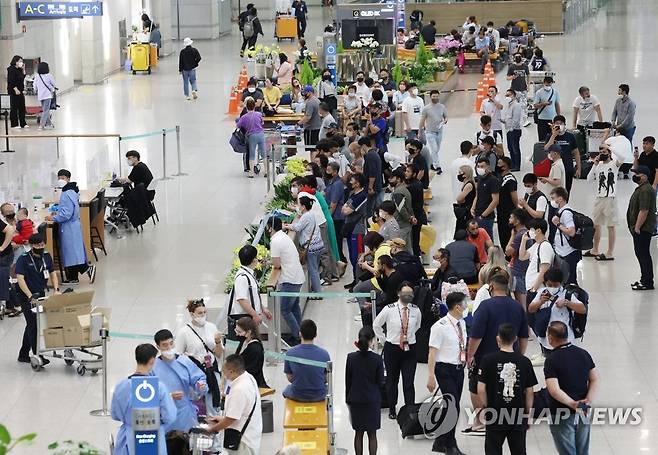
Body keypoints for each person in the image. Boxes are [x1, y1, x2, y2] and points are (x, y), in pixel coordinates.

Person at [465, 274, 529, 434]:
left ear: (491, 287)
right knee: (506, 388)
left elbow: (476, 336)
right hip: (510, 356)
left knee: (476, 387)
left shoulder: (485, 307)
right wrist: (518, 355)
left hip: (485, 358)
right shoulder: (517, 307)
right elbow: (524, 336)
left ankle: (481, 422)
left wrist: (470, 356)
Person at [477, 323, 537, 455]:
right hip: (517, 414)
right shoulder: (524, 362)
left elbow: (480, 389)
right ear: (515, 338)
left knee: (493, 449)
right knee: (519, 450)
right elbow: (529, 392)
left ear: (498, 338)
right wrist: (528, 413)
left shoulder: (488, 360)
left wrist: (487, 406)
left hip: (495, 413)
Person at [544, 321, 599, 455]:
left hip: (561, 412)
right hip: (583, 409)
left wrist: (572, 404)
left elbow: (554, 390)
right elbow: (595, 378)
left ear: (550, 338)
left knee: (567, 451)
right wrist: (587, 400)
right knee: (582, 451)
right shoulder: (583, 353)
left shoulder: (552, 360)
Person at [111, 344, 177, 455]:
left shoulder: (121, 386)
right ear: (152, 360)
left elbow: (115, 414)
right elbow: (170, 416)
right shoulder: (158, 387)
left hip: (128, 440)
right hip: (154, 440)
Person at [373, 282, 422, 419]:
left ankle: (410, 409)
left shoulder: (416, 310)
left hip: (410, 349)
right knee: (392, 381)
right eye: (405, 293)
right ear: (399, 294)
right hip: (392, 349)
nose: (408, 296)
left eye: (410, 294)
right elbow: (377, 325)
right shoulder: (389, 309)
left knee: (409, 381)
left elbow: (417, 325)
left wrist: (407, 336)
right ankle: (392, 407)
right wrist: (384, 340)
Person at [427, 292, 468, 455]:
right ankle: (450, 444)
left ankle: (440, 441)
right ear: (457, 307)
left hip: (459, 368)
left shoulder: (462, 323)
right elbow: (432, 352)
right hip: (444, 369)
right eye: (465, 303)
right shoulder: (440, 326)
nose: (467, 306)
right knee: (453, 406)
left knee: (451, 404)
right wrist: (430, 375)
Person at [44, 169, 95, 284]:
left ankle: (83, 271)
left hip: (69, 227)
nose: (60, 180)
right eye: (59, 177)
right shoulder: (72, 190)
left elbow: (66, 214)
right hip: (73, 225)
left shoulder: (66, 193)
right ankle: (73, 277)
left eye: (63, 177)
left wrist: (53, 218)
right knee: (73, 253)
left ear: (68, 178)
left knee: (71, 253)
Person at [152, 329, 207, 432]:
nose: (169, 347)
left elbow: (199, 378)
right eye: (165, 345)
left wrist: (200, 385)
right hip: (163, 415)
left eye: (171, 343)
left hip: (184, 415)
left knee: (184, 445)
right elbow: (149, 394)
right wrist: (168, 397)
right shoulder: (154, 367)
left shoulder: (184, 361)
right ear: (158, 347)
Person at [15, 234, 59, 364]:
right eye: (37, 245)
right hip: (25, 296)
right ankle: (37, 355)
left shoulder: (46, 256)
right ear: (31, 245)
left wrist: (56, 289)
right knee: (34, 324)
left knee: (31, 324)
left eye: (42, 244)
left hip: (40, 294)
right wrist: (29, 296)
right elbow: (20, 279)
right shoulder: (23, 259)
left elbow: (52, 273)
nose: (40, 247)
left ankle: (23, 354)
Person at [207, 354, 263, 455]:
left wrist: (213, 429)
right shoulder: (248, 377)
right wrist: (221, 419)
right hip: (251, 433)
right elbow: (242, 411)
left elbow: (231, 418)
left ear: (231, 372)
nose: (223, 374)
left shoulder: (239, 389)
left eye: (224, 371)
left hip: (242, 441)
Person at [176, 298, 224, 415]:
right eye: (200, 313)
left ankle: (214, 427)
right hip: (194, 371)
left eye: (204, 312)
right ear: (192, 314)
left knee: (213, 399)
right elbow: (178, 355)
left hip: (212, 369)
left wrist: (218, 342)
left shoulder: (211, 327)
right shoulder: (184, 332)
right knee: (195, 400)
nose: (203, 315)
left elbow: (218, 353)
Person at [527, 268, 587, 354]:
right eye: (549, 285)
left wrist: (567, 303)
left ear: (560, 283)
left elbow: (582, 309)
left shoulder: (566, 294)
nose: (552, 287)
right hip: (547, 339)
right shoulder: (541, 293)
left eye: (555, 285)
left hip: (565, 339)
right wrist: (540, 302)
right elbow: (531, 309)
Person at [345, 326, 385, 455]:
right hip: (372, 400)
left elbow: (348, 381)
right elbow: (380, 382)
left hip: (355, 399)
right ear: (371, 340)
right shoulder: (377, 359)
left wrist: (348, 399)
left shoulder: (351, 358)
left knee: (358, 433)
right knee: (372, 434)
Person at [268, 217, 306, 345]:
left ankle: (297, 335)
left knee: (285, 309)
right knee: (294, 307)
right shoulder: (283, 237)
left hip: (290, 279)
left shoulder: (275, 241)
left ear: (270, 228)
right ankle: (301, 333)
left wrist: (270, 263)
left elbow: (277, 264)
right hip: (297, 276)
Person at [225, 244, 272, 340]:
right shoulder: (242, 277)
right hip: (246, 320)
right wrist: (255, 315)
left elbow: (253, 296)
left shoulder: (248, 274)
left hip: (251, 318)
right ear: (253, 260)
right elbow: (242, 300)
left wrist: (262, 309)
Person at [584, 142, 621, 260]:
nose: (602, 153)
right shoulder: (598, 165)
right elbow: (589, 179)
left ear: (609, 153)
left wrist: (611, 147)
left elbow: (622, 157)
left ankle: (610, 252)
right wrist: (594, 165)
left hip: (610, 198)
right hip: (599, 198)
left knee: (611, 225)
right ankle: (595, 249)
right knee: (595, 224)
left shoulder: (614, 164)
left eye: (604, 151)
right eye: (600, 152)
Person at [283, 319, 331, 402]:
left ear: (300, 334)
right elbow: (326, 378)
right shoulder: (324, 354)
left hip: (297, 394)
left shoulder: (290, 353)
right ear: (315, 334)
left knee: (286, 390)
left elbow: (290, 378)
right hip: (319, 395)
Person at [627, 165, 657, 290]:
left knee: (643, 254)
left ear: (644, 176)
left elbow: (644, 211)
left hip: (643, 229)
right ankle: (644, 279)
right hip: (640, 229)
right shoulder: (642, 188)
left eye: (637, 174)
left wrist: (637, 227)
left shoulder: (645, 190)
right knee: (641, 254)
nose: (635, 176)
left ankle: (647, 282)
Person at [286, 196, 324, 293]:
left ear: (303, 206)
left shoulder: (306, 216)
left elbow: (298, 227)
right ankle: (316, 288)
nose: (298, 206)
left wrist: (287, 226)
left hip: (311, 247)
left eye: (299, 205)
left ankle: (318, 293)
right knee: (315, 268)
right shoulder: (311, 214)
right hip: (318, 245)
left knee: (313, 270)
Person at [549, 186, 581, 285]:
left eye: (553, 198)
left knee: (570, 281)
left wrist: (558, 224)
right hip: (562, 252)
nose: (552, 201)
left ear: (561, 198)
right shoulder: (561, 211)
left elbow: (571, 232)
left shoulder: (566, 213)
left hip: (568, 253)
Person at [518, 218, 554, 304]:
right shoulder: (537, 244)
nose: (529, 232)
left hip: (538, 290)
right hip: (533, 289)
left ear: (538, 231)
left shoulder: (545, 246)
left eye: (531, 229)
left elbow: (544, 270)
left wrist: (534, 289)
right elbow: (522, 257)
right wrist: (523, 241)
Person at [342, 173, 369, 284]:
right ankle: (355, 279)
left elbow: (347, 210)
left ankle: (359, 281)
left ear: (357, 183)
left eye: (352, 180)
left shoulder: (361, 196)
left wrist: (346, 208)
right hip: (350, 229)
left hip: (357, 231)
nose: (350, 182)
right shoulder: (352, 194)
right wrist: (346, 208)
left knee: (357, 257)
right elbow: (343, 210)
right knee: (352, 257)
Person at [544, 115, 581, 193]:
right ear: (553, 124)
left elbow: (576, 152)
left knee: (566, 191)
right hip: (555, 169)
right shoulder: (550, 136)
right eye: (557, 123)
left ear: (564, 125)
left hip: (568, 168)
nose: (559, 125)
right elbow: (546, 148)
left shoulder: (570, 136)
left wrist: (578, 168)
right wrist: (553, 135)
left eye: (561, 123)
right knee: (555, 191)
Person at [235, 317, 269, 388]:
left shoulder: (255, 349)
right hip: (242, 379)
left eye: (239, 332)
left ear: (248, 332)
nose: (237, 334)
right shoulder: (243, 341)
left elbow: (253, 369)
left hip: (253, 383)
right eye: (236, 331)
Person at [420, 90, 448, 172]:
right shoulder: (426, 108)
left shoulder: (442, 107)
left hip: (439, 131)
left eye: (436, 96)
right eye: (433, 96)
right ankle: (437, 166)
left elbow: (446, 116)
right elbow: (422, 120)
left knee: (436, 149)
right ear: (430, 97)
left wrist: (445, 120)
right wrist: (420, 131)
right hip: (430, 132)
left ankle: (431, 163)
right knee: (434, 148)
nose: (435, 98)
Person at [236, 98, 266, 178]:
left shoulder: (244, 117)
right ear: (254, 106)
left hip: (252, 136)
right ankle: (266, 171)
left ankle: (251, 173)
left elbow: (238, 126)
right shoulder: (259, 114)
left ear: (246, 107)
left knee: (252, 154)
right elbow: (262, 123)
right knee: (263, 153)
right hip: (261, 134)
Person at [471, 157, 500, 239]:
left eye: (482, 166)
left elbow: (495, 201)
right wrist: (473, 208)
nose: (480, 168)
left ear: (488, 167)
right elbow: (477, 195)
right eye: (478, 166)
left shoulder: (493, 180)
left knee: (487, 240)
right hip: (477, 214)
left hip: (486, 217)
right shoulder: (480, 178)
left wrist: (483, 215)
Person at [506, 208, 529, 306]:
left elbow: (507, 251)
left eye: (511, 218)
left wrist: (512, 236)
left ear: (517, 221)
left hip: (518, 271)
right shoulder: (525, 232)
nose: (509, 220)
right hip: (522, 270)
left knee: (521, 303)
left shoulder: (519, 235)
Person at [388, 168, 414, 250]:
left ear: (398, 179)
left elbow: (401, 209)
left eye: (392, 178)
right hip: (406, 224)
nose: (390, 180)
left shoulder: (398, 192)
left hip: (401, 225)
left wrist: (409, 218)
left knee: (401, 249)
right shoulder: (403, 189)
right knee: (408, 249)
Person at [405, 164, 428, 255]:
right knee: (415, 237)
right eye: (405, 171)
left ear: (414, 174)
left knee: (414, 237)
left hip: (415, 215)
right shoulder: (417, 183)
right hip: (418, 214)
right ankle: (417, 251)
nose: (405, 173)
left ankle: (416, 255)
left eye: (408, 171)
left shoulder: (412, 186)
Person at [496, 157, 519, 248]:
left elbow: (514, 196)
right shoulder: (500, 178)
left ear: (505, 166)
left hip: (508, 211)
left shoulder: (510, 180)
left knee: (506, 234)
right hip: (500, 211)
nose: (497, 166)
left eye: (499, 164)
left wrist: (517, 208)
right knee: (501, 233)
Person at [361, 136, 383, 215]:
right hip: (377, 185)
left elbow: (372, 173)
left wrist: (370, 187)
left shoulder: (370, 156)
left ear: (363, 146)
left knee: (369, 210)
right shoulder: (375, 154)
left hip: (372, 187)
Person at [506, 53, 530, 127]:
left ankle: (525, 120)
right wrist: (512, 77)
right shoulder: (512, 67)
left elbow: (528, 75)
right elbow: (507, 78)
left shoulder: (525, 66)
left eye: (519, 57)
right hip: (514, 89)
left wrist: (528, 85)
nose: (518, 58)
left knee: (524, 105)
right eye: (516, 57)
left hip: (523, 89)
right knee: (513, 105)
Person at [0, 204, 15, 317]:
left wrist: (2, 247)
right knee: (5, 279)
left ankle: (11, 306)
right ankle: (12, 306)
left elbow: (10, 230)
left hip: (4, 255)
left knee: (4, 279)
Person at [534, 76, 560, 141]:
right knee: (542, 138)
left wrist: (558, 116)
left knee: (553, 137)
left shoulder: (555, 92)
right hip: (542, 119)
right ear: (543, 83)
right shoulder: (539, 93)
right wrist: (543, 103)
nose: (548, 86)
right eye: (546, 85)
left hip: (552, 119)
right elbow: (535, 105)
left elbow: (557, 104)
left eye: (549, 85)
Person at [503, 89, 523, 171]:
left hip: (514, 130)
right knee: (510, 148)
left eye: (509, 95)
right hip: (509, 130)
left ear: (514, 96)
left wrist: (511, 128)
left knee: (515, 148)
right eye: (506, 95)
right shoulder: (509, 105)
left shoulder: (516, 105)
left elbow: (516, 119)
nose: (507, 97)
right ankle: (513, 164)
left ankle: (517, 165)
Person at [34, 61, 56, 130]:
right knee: (46, 110)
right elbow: (54, 84)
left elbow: (34, 85)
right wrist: (52, 88)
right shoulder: (49, 75)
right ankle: (41, 125)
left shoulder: (37, 76)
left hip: (40, 96)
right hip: (47, 95)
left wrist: (36, 90)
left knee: (45, 110)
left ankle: (49, 124)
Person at [455, 165, 476, 233]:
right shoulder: (467, 183)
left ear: (465, 175)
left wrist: (461, 200)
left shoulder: (468, 185)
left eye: (460, 173)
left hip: (467, 211)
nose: (458, 175)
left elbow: (459, 199)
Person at [7, 55, 27, 129]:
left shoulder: (19, 69)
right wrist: (15, 89)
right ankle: (14, 124)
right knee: (14, 107)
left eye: (22, 61)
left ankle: (23, 123)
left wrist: (23, 69)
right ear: (16, 61)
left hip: (20, 91)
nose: (21, 63)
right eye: (20, 61)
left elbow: (22, 78)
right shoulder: (11, 69)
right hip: (13, 91)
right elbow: (11, 81)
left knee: (22, 107)